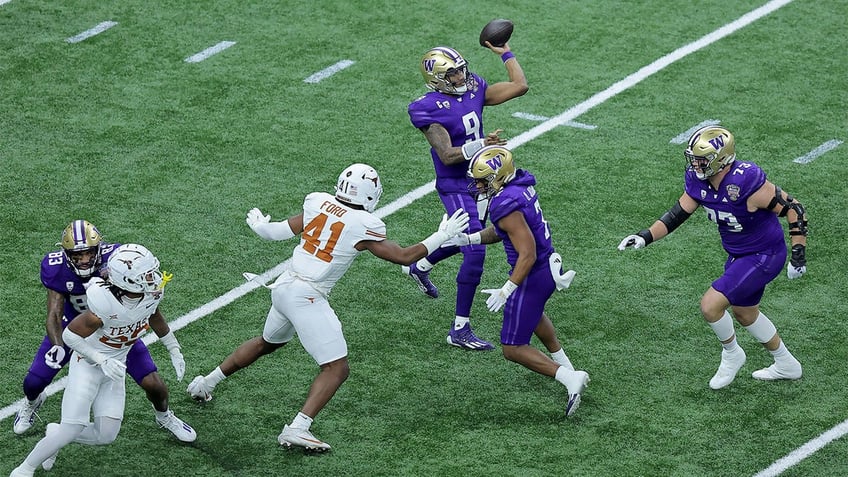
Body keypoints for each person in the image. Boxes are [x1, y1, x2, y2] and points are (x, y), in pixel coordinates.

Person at [187, 163, 470, 451]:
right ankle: (298, 427)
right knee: (337, 368)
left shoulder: (318, 202)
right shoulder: (363, 224)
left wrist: (260, 225)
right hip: (307, 296)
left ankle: (205, 384)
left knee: (266, 343)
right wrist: (443, 235)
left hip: (284, 287)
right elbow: (404, 256)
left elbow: (276, 233)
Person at [617, 125, 807, 390]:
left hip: (765, 254)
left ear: (721, 159)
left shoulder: (746, 182)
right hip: (740, 255)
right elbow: (677, 214)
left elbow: (794, 209)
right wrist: (645, 236)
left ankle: (732, 354)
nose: (695, 164)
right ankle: (786, 364)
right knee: (744, 312)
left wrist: (798, 252)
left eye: (702, 159)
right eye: (694, 157)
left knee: (710, 305)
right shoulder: (699, 180)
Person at [11, 244, 189, 477]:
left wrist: (173, 348)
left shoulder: (151, 292)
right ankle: (25, 468)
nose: (153, 278)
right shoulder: (104, 303)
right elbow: (70, 336)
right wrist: (100, 359)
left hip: (115, 368)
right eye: (145, 275)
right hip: (88, 365)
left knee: (106, 435)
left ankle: (54, 433)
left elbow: (153, 314)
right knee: (72, 427)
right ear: (127, 280)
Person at [444, 145, 591, 416]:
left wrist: (507, 289)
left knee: (512, 348)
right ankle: (567, 366)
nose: (477, 185)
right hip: (545, 268)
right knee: (534, 318)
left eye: (482, 180)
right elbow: (505, 231)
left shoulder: (504, 203)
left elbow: (527, 253)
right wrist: (470, 239)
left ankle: (570, 378)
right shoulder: (518, 186)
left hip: (533, 273)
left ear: (499, 177)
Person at [403, 42, 529, 350]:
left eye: (461, 69)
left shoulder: (474, 88)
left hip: (480, 182)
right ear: (437, 79)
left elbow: (520, 86)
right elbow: (446, 155)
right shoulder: (427, 107)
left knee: (475, 238)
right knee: (476, 250)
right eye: (454, 73)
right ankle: (460, 329)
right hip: (454, 185)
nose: (462, 77)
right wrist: (482, 145)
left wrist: (505, 54)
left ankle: (419, 265)